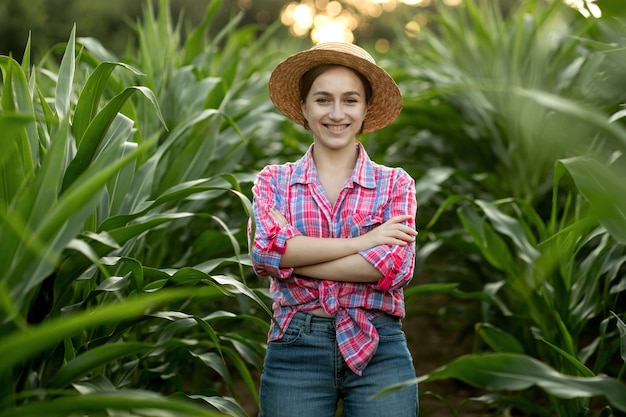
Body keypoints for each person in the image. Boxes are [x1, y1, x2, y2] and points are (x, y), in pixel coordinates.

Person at [249, 41, 419, 417]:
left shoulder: (395, 184)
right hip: (295, 344)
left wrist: (293, 255)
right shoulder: (274, 181)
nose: (336, 113)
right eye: (323, 100)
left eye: (350, 100)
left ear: (365, 110)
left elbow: (392, 268)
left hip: (380, 344)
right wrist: (365, 241)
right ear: (305, 109)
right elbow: (264, 252)